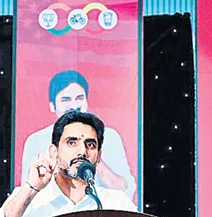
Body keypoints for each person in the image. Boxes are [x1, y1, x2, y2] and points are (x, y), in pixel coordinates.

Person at [0, 110, 138, 217]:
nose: (82, 151)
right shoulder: (32, 200)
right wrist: (31, 189)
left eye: (90, 145)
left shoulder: (117, 203)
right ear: (54, 153)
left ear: (98, 156)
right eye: (72, 143)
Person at [20, 70, 136, 200]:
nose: (74, 106)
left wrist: (92, 157)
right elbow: (28, 194)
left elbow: (126, 191)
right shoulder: (36, 140)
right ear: (52, 106)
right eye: (66, 100)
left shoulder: (110, 136)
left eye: (79, 98)